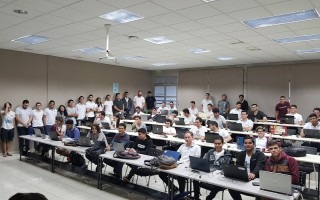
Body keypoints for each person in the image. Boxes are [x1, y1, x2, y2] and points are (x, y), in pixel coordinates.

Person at [193, 136, 232, 200]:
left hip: (219, 175)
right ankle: (196, 197)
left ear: (223, 144)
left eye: (219, 144)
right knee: (195, 179)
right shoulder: (210, 152)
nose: (217, 145)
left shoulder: (227, 155)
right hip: (209, 172)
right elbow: (204, 162)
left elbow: (225, 168)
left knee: (218, 185)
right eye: (215, 144)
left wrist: (217, 172)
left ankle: (210, 197)